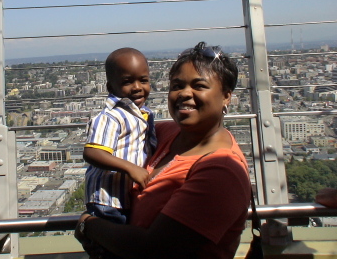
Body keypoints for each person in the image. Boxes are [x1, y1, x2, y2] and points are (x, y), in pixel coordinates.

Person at [76, 42, 251, 259]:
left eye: (199, 86)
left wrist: (88, 225)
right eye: (177, 85)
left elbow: (154, 249)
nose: (185, 94)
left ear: (226, 96)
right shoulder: (163, 132)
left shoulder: (221, 172)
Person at [83, 47, 157, 226]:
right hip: (107, 199)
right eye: (127, 82)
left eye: (143, 80)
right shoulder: (110, 117)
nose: (137, 87)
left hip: (123, 198)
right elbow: (93, 153)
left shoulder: (142, 113)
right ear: (110, 87)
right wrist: (131, 168)